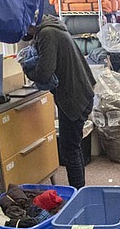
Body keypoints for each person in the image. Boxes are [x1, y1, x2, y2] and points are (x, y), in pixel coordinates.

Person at [23, 12, 96, 188]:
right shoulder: (54, 27)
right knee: (73, 147)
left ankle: (78, 194)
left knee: (69, 150)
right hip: (80, 91)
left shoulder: (47, 33)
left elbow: (44, 73)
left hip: (73, 97)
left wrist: (27, 67)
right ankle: (79, 192)